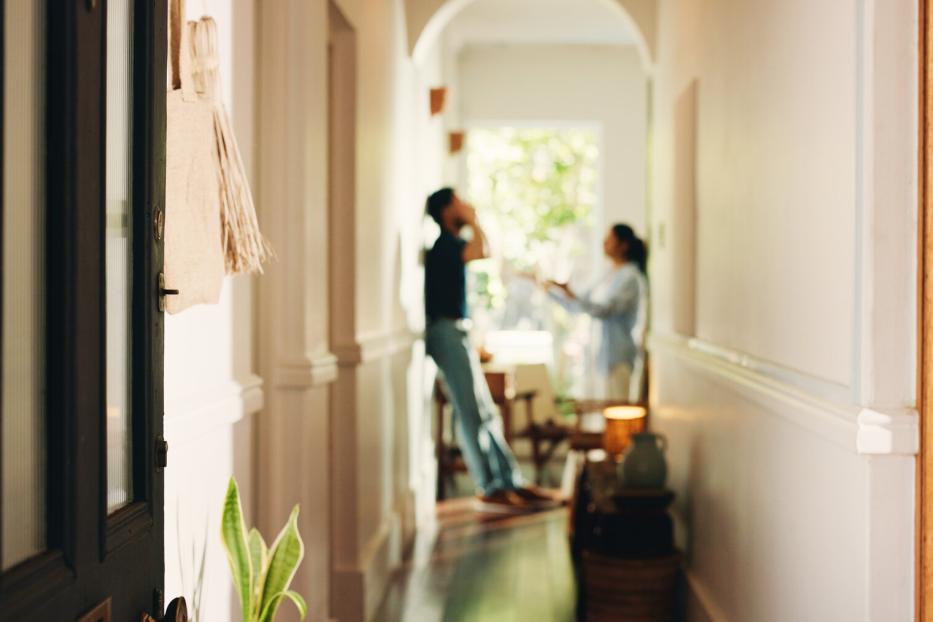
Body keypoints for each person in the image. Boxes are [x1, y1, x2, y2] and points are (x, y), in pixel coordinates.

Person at [424, 187, 555, 511]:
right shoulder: (444, 245)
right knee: (471, 412)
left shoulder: (450, 244)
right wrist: (474, 219)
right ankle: (491, 485)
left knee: (483, 411)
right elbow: (482, 250)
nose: (466, 203)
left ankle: (510, 481)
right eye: (458, 201)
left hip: (458, 332)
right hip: (446, 332)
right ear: (446, 211)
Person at [544, 224, 648, 402]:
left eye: (610, 239)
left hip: (619, 354)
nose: (604, 243)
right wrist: (554, 291)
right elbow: (580, 305)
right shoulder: (608, 273)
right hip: (604, 356)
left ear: (623, 245)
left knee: (619, 411)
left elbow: (605, 309)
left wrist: (573, 296)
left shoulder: (629, 276)